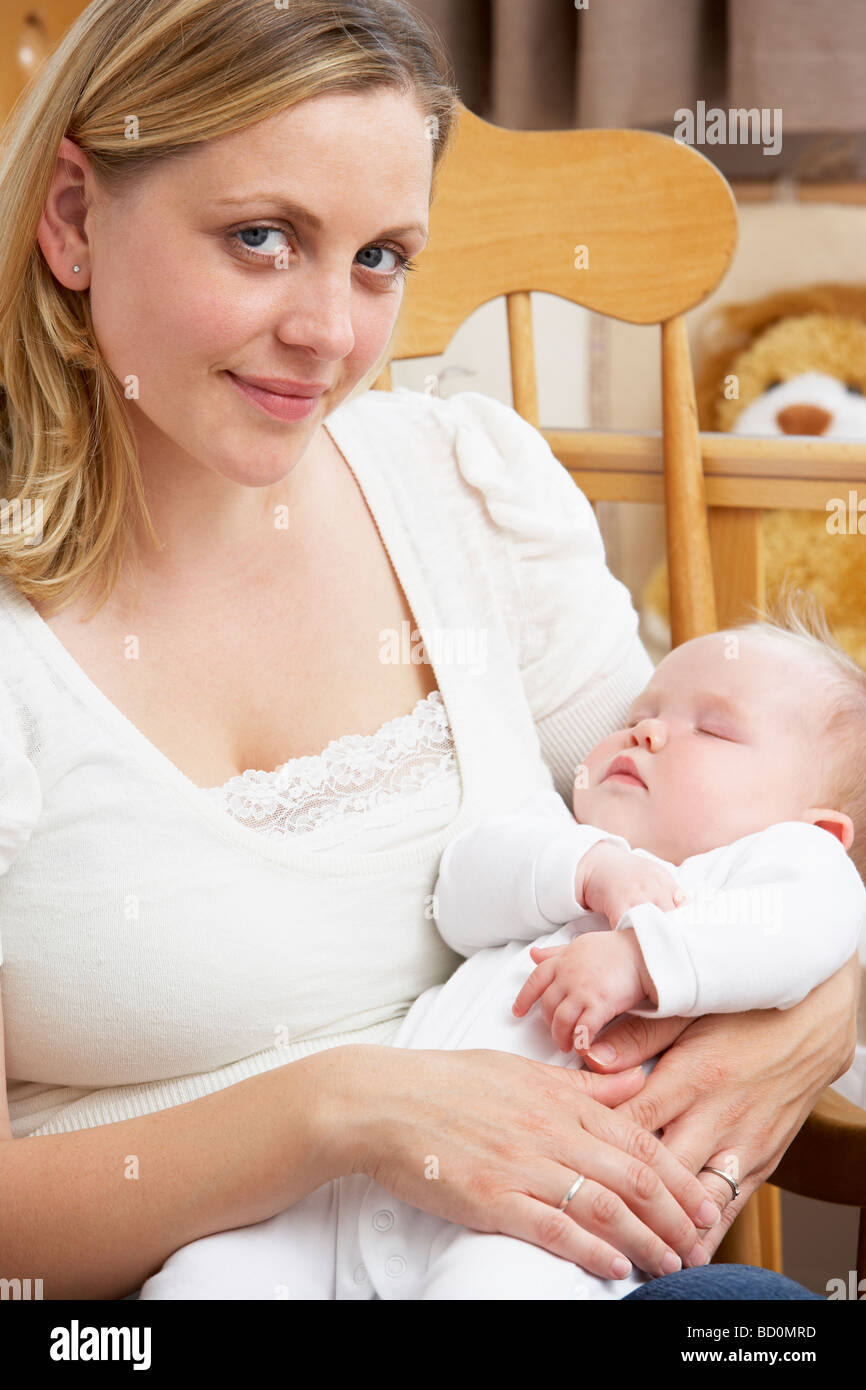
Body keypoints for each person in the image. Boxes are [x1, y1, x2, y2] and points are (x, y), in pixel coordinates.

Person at [0, 0, 857, 1302]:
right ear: (72, 216)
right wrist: (344, 1114)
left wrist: (817, 1003)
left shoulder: (464, 490)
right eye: (260, 238)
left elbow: (728, 810)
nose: (329, 334)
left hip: (505, 1273)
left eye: (380, 257)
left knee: (755, 1320)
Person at [135, 608, 866, 1298]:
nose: (648, 734)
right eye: (641, 715)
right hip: (353, 1194)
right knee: (208, 1271)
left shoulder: (772, 874)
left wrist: (641, 960)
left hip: (551, 1216)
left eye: (713, 729)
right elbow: (459, 895)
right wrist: (585, 869)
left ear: (817, 829)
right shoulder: (560, 844)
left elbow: (807, 921)